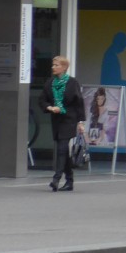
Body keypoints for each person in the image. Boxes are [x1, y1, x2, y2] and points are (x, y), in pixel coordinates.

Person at [41, 55, 85, 192]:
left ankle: (56, 178)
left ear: (64, 67)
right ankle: (70, 180)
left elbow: (79, 103)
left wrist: (80, 122)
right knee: (63, 150)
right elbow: (42, 100)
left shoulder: (72, 83)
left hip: (69, 119)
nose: (53, 67)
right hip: (56, 119)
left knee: (62, 147)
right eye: (53, 65)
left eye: (56, 65)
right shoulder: (50, 83)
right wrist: (50, 108)